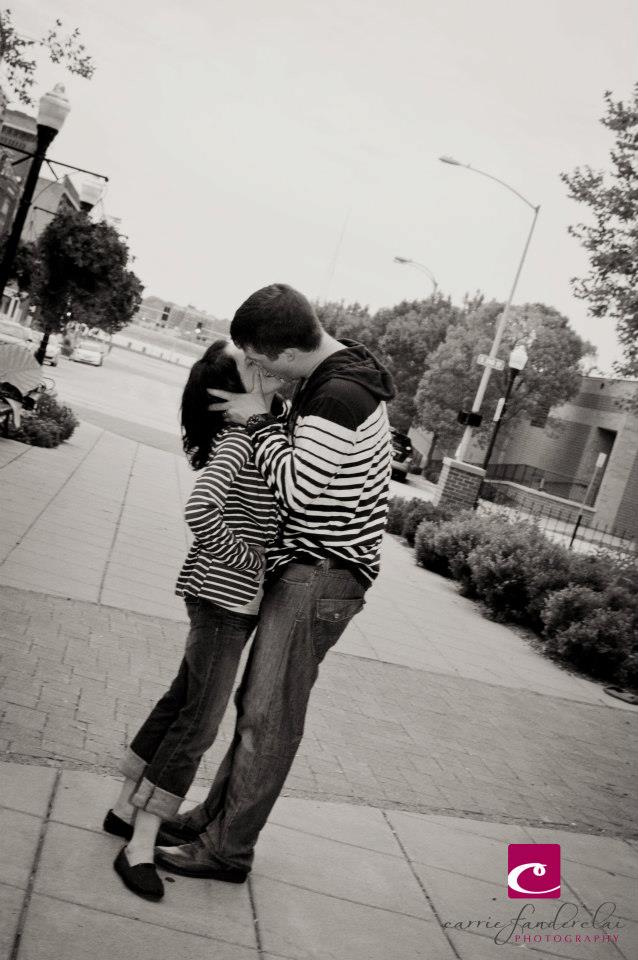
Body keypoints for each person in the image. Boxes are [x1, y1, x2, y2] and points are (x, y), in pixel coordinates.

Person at [156, 283, 395, 882]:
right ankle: (214, 820)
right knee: (256, 708)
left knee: (269, 718)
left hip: (321, 573)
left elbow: (298, 491)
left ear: (287, 352)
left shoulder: (337, 395)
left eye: (258, 359)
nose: (256, 370)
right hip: (315, 570)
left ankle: (228, 850)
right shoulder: (334, 375)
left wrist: (258, 420)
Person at [104, 339, 282, 902]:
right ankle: (140, 842)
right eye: (248, 363)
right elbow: (200, 509)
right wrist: (250, 560)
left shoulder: (258, 432)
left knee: (180, 702)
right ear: (229, 391)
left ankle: (122, 807)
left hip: (223, 601)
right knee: (198, 725)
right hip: (223, 603)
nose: (262, 364)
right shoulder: (239, 439)